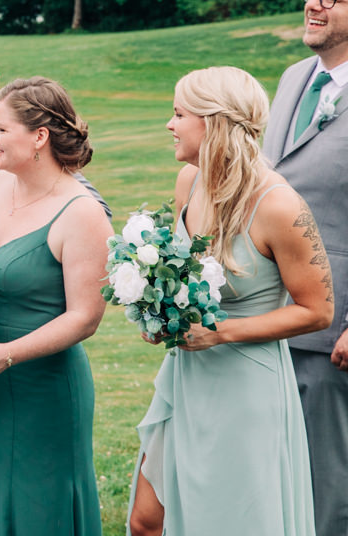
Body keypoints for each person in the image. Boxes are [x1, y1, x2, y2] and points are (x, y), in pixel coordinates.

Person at [127, 68, 332, 535]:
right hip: (186, 375)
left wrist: (221, 332)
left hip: (246, 386)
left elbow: (317, 310)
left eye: (179, 114)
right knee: (146, 521)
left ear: (214, 123)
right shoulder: (189, 182)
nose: (169, 124)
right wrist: (159, 312)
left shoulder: (280, 206)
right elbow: (184, 276)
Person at [0, 77, 111, 536]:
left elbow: (86, 316)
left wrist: (7, 353)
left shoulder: (81, 212)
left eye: (1, 129)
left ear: (40, 137)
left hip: (42, 390)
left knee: (37, 508)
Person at [262, 0, 348, 536]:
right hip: (268, 316)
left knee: (328, 485)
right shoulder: (294, 77)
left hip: (334, 330)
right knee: (275, 476)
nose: (313, 5)